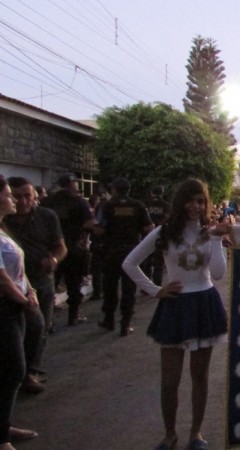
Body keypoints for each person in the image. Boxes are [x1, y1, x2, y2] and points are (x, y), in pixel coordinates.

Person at [122, 179, 231, 450]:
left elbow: (218, 274)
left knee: (200, 377)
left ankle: (196, 434)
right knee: (170, 380)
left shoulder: (210, 233)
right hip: (175, 305)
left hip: (204, 303)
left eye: (200, 201)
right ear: (180, 202)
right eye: (190, 200)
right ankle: (169, 435)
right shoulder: (164, 232)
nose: (195, 206)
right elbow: (130, 262)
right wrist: (155, 290)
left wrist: (217, 238)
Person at [5, 177, 67, 394]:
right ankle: (16, 373)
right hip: (11, 283)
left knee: (39, 328)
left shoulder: (47, 217)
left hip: (40, 280)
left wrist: (54, 260)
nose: (22, 201)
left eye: (27, 196)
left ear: (35, 197)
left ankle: (30, 371)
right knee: (16, 330)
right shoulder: (4, 220)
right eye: (16, 196)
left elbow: (60, 247)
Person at [0, 176, 40, 449]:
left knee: (12, 368)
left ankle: (4, 426)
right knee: (13, 369)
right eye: (8, 195)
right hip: (5, 309)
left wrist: (31, 291)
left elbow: (17, 270)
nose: (13, 199)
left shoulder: (3, 230)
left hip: (17, 305)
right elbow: (1, 278)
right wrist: (23, 301)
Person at [96, 178, 154, 336]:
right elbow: (149, 228)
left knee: (110, 287)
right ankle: (125, 324)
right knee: (129, 288)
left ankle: (109, 320)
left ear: (114, 189)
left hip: (111, 252)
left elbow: (99, 229)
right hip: (132, 252)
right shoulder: (138, 205)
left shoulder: (106, 205)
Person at [39, 173, 95, 326]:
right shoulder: (78, 202)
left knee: (50, 285)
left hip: (50, 249)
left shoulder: (47, 201)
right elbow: (90, 223)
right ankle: (73, 316)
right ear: (71, 184)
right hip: (72, 248)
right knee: (74, 284)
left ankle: (47, 320)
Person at [144, 186, 171, 286]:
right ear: (162, 193)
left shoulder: (146, 203)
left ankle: (146, 286)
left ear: (152, 192)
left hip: (146, 236)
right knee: (158, 263)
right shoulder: (166, 205)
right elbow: (168, 220)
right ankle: (156, 285)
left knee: (146, 261)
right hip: (161, 236)